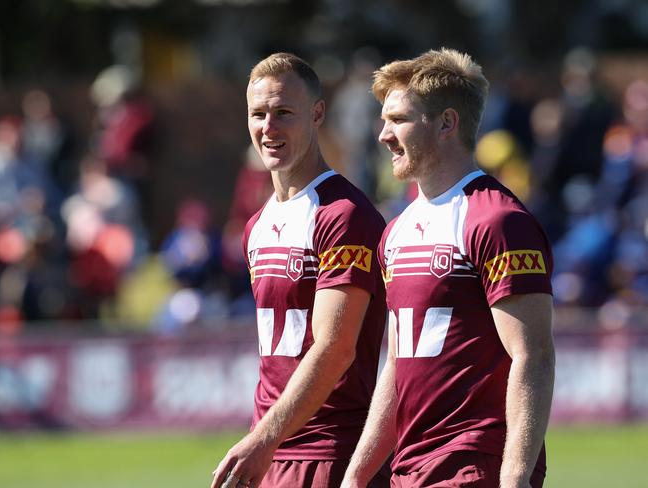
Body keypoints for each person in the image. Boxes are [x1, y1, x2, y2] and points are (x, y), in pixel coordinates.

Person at [341, 48, 555, 488]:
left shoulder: (498, 221)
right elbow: (398, 362)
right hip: (408, 466)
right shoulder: (395, 231)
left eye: (398, 119)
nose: (383, 135)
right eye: (384, 120)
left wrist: (514, 478)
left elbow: (532, 355)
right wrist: (357, 475)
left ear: (446, 124)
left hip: (473, 465)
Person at [211, 53, 389, 488]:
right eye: (258, 114)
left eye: (283, 113)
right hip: (271, 452)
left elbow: (335, 349)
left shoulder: (344, 216)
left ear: (317, 114)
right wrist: (264, 439)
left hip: (330, 452)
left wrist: (264, 438)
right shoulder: (257, 225)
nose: (268, 128)